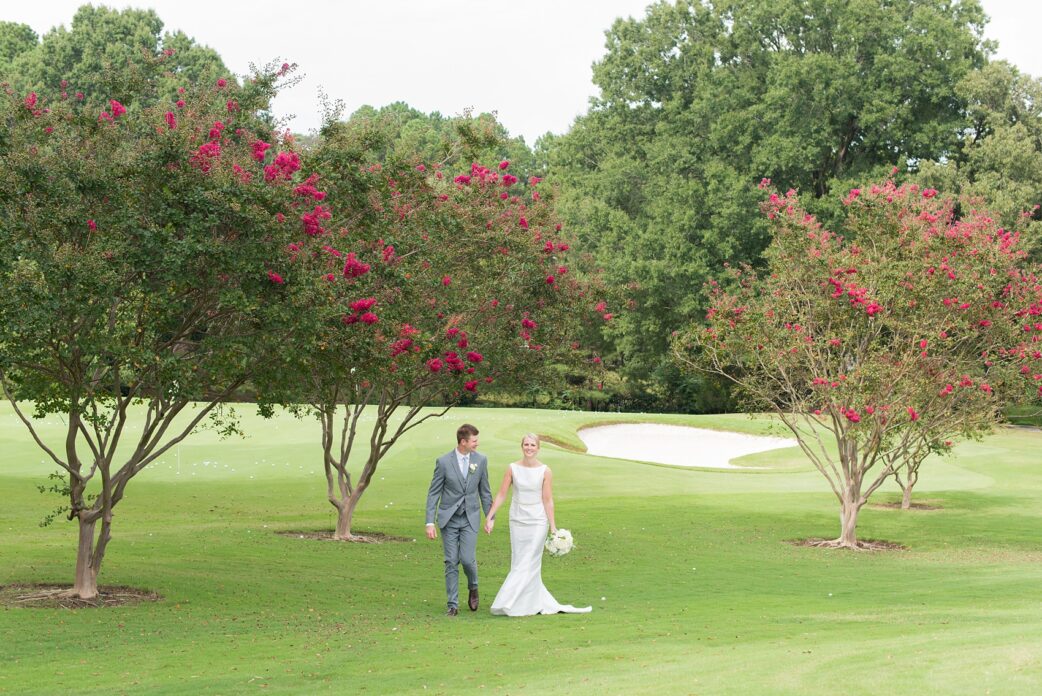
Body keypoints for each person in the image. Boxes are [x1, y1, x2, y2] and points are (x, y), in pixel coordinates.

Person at [486, 433, 591, 616]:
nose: (529, 448)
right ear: (522, 447)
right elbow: (502, 494)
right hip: (517, 519)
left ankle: (507, 601)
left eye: (532, 445)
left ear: (538, 448)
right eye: (526, 444)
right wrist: (490, 516)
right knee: (519, 560)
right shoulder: (512, 468)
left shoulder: (545, 471)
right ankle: (527, 603)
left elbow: (548, 499)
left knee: (529, 561)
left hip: (537, 521)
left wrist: (553, 527)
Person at [425, 423, 492, 616]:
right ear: (463, 442)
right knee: (451, 561)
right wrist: (430, 522)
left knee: (467, 560)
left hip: (470, 517)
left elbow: (485, 492)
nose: (477, 444)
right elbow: (433, 493)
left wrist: (490, 517)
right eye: (474, 441)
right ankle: (452, 604)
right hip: (449, 520)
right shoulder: (444, 462)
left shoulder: (481, 460)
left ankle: (473, 586)